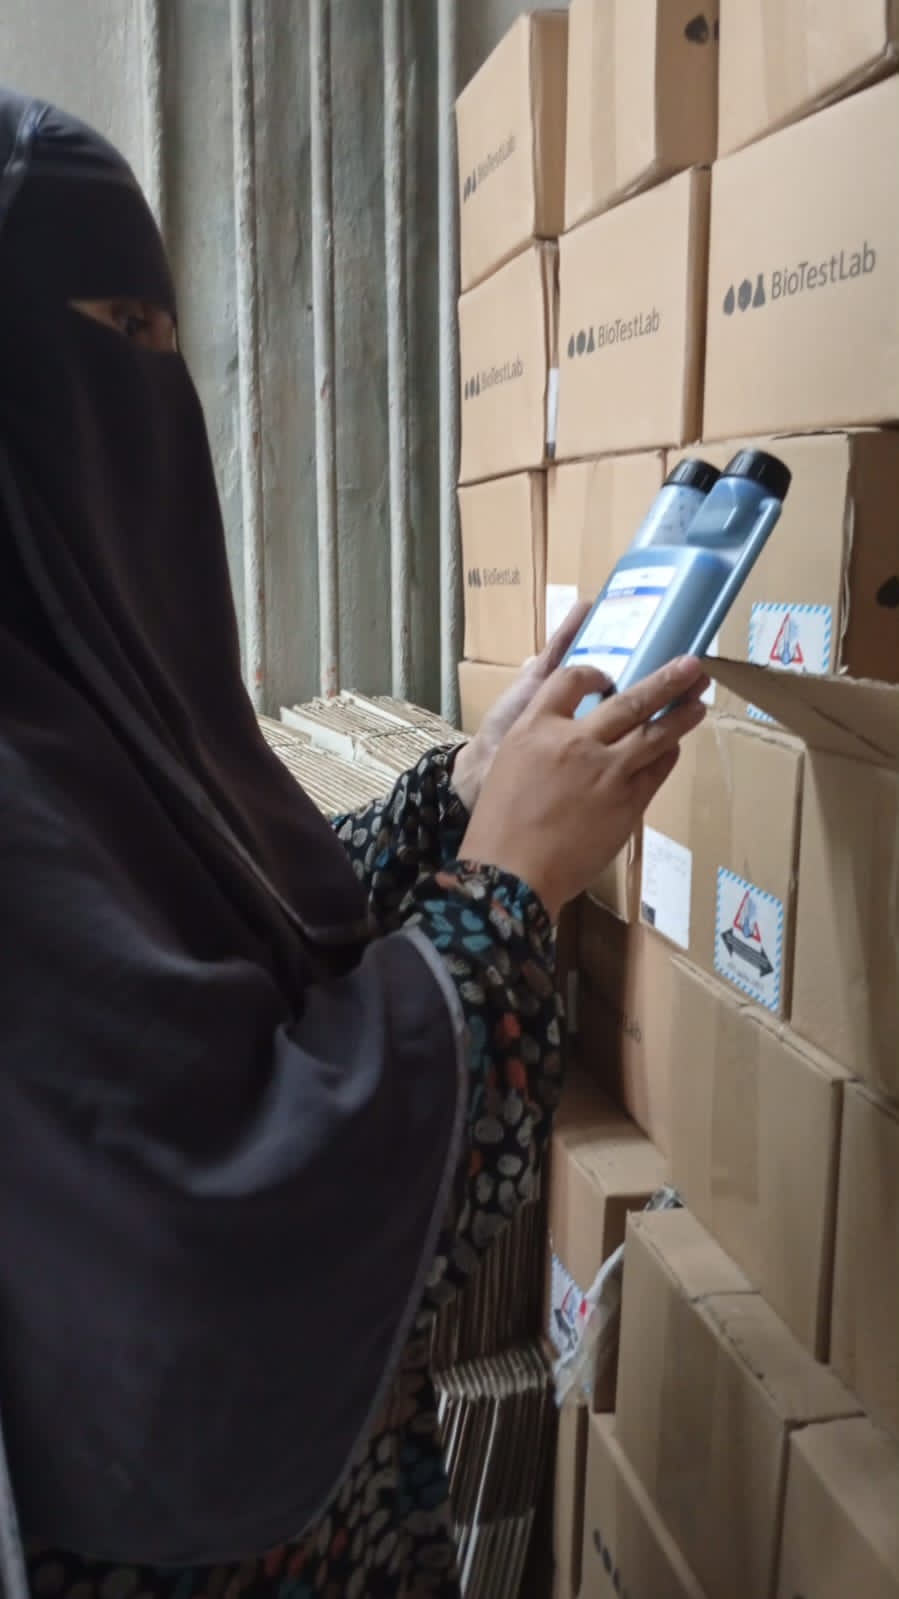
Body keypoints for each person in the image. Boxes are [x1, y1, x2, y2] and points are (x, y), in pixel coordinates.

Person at [0, 88, 707, 1599]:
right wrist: (504, 891)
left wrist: (461, 796)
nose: (161, 385)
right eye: (117, 334)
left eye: (164, 332)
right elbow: (225, 1244)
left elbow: (227, 938)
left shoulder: (90, 708)